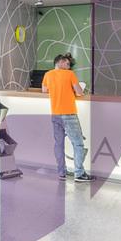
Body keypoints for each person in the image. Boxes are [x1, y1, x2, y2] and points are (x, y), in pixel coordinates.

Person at [41, 53, 91, 181]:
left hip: (55, 114)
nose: (69, 67)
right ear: (60, 62)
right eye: (67, 64)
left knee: (59, 144)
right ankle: (79, 173)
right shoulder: (70, 74)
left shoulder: (48, 74)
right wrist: (73, 90)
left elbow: (44, 90)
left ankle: (61, 172)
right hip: (68, 114)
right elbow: (79, 92)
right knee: (78, 144)